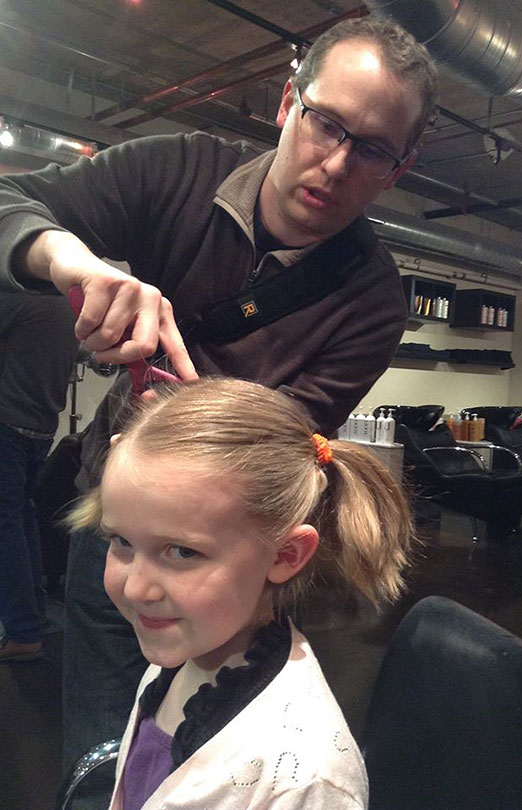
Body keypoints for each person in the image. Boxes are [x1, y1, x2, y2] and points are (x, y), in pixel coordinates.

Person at [0, 13, 438, 794]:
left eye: (370, 149)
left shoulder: (370, 301)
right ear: (286, 103)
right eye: (324, 123)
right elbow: (14, 199)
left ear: (398, 170)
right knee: (108, 756)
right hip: (119, 520)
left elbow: (279, 448)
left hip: (225, 562)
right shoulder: (175, 171)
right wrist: (73, 264)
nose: (335, 164)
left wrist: (178, 399)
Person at [67, 375, 416, 810]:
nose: (136, 587)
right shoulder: (183, 657)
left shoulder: (303, 782)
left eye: (182, 552)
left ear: (285, 554)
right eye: (120, 542)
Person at [0, 291, 78, 661]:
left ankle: (23, 631)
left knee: (5, 525)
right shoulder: (65, 302)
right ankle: (35, 614)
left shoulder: (17, 300)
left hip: (7, 425)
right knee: (21, 516)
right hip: (42, 425)